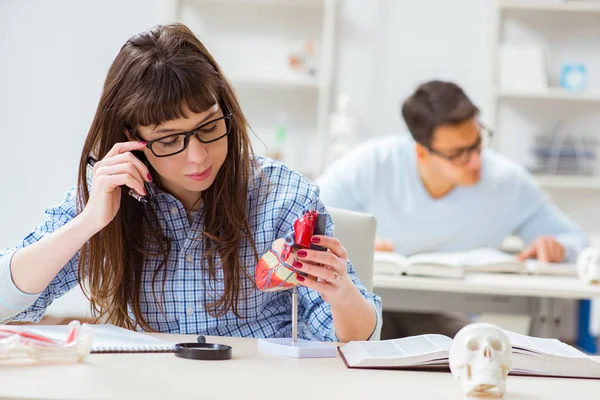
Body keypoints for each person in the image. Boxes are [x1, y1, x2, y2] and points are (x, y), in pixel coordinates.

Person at [0, 24, 381, 342]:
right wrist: (88, 223)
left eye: (210, 127)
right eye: (168, 140)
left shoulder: (283, 197)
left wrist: (341, 291)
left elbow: (356, 341)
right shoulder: (106, 194)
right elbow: (6, 303)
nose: (197, 157)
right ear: (132, 139)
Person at [316, 80, 588, 339]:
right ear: (421, 153)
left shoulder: (507, 182)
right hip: (368, 304)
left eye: (478, 143)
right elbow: (307, 213)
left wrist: (559, 247)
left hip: (446, 313)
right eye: (458, 154)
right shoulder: (372, 163)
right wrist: (356, 246)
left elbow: (577, 241)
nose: (475, 162)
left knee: (478, 346)